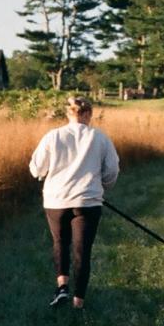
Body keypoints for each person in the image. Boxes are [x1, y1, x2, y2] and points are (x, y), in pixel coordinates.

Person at [28, 95, 120, 308]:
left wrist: (45, 174)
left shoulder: (53, 136)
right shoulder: (100, 138)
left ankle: (62, 287)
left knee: (60, 242)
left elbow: (36, 168)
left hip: (56, 200)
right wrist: (103, 185)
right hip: (88, 201)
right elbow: (112, 170)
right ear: (88, 114)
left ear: (68, 114)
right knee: (82, 250)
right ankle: (78, 301)